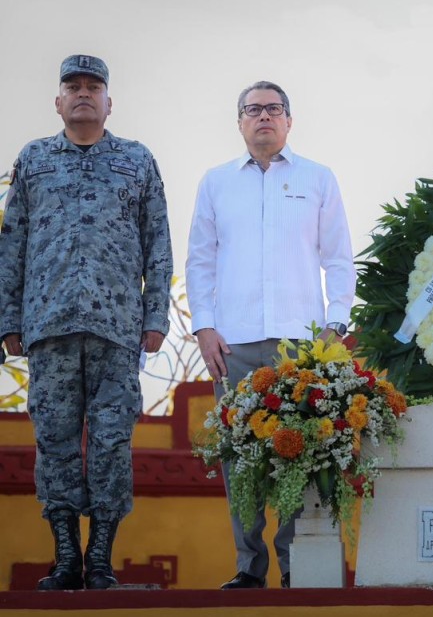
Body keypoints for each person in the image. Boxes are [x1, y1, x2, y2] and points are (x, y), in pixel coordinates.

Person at [0, 55, 172, 590]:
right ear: (58, 102)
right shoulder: (34, 159)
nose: (82, 94)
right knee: (54, 442)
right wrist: (8, 318)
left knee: (112, 442)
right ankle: (65, 557)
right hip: (48, 327)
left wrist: (156, 315)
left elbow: (157, 243)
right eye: (72, 86)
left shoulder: (136, 161)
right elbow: (12, 244)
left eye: (92, 87)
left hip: (116, 330)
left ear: (108, 102)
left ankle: (100, 558)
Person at [186, 80, 356, 589]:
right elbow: (200, 260)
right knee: (240, 456)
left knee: (298, 451)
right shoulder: (216, 182)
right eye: (253, 109)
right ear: (239, 121)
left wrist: (336, 324)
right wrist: (204, 327)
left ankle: (295, 566)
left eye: (274, 109)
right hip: (232, 343)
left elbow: (339, 258)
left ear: (289, 120)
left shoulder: (317, 178)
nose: (264, 116)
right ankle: (249, 566)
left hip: (300, 344)